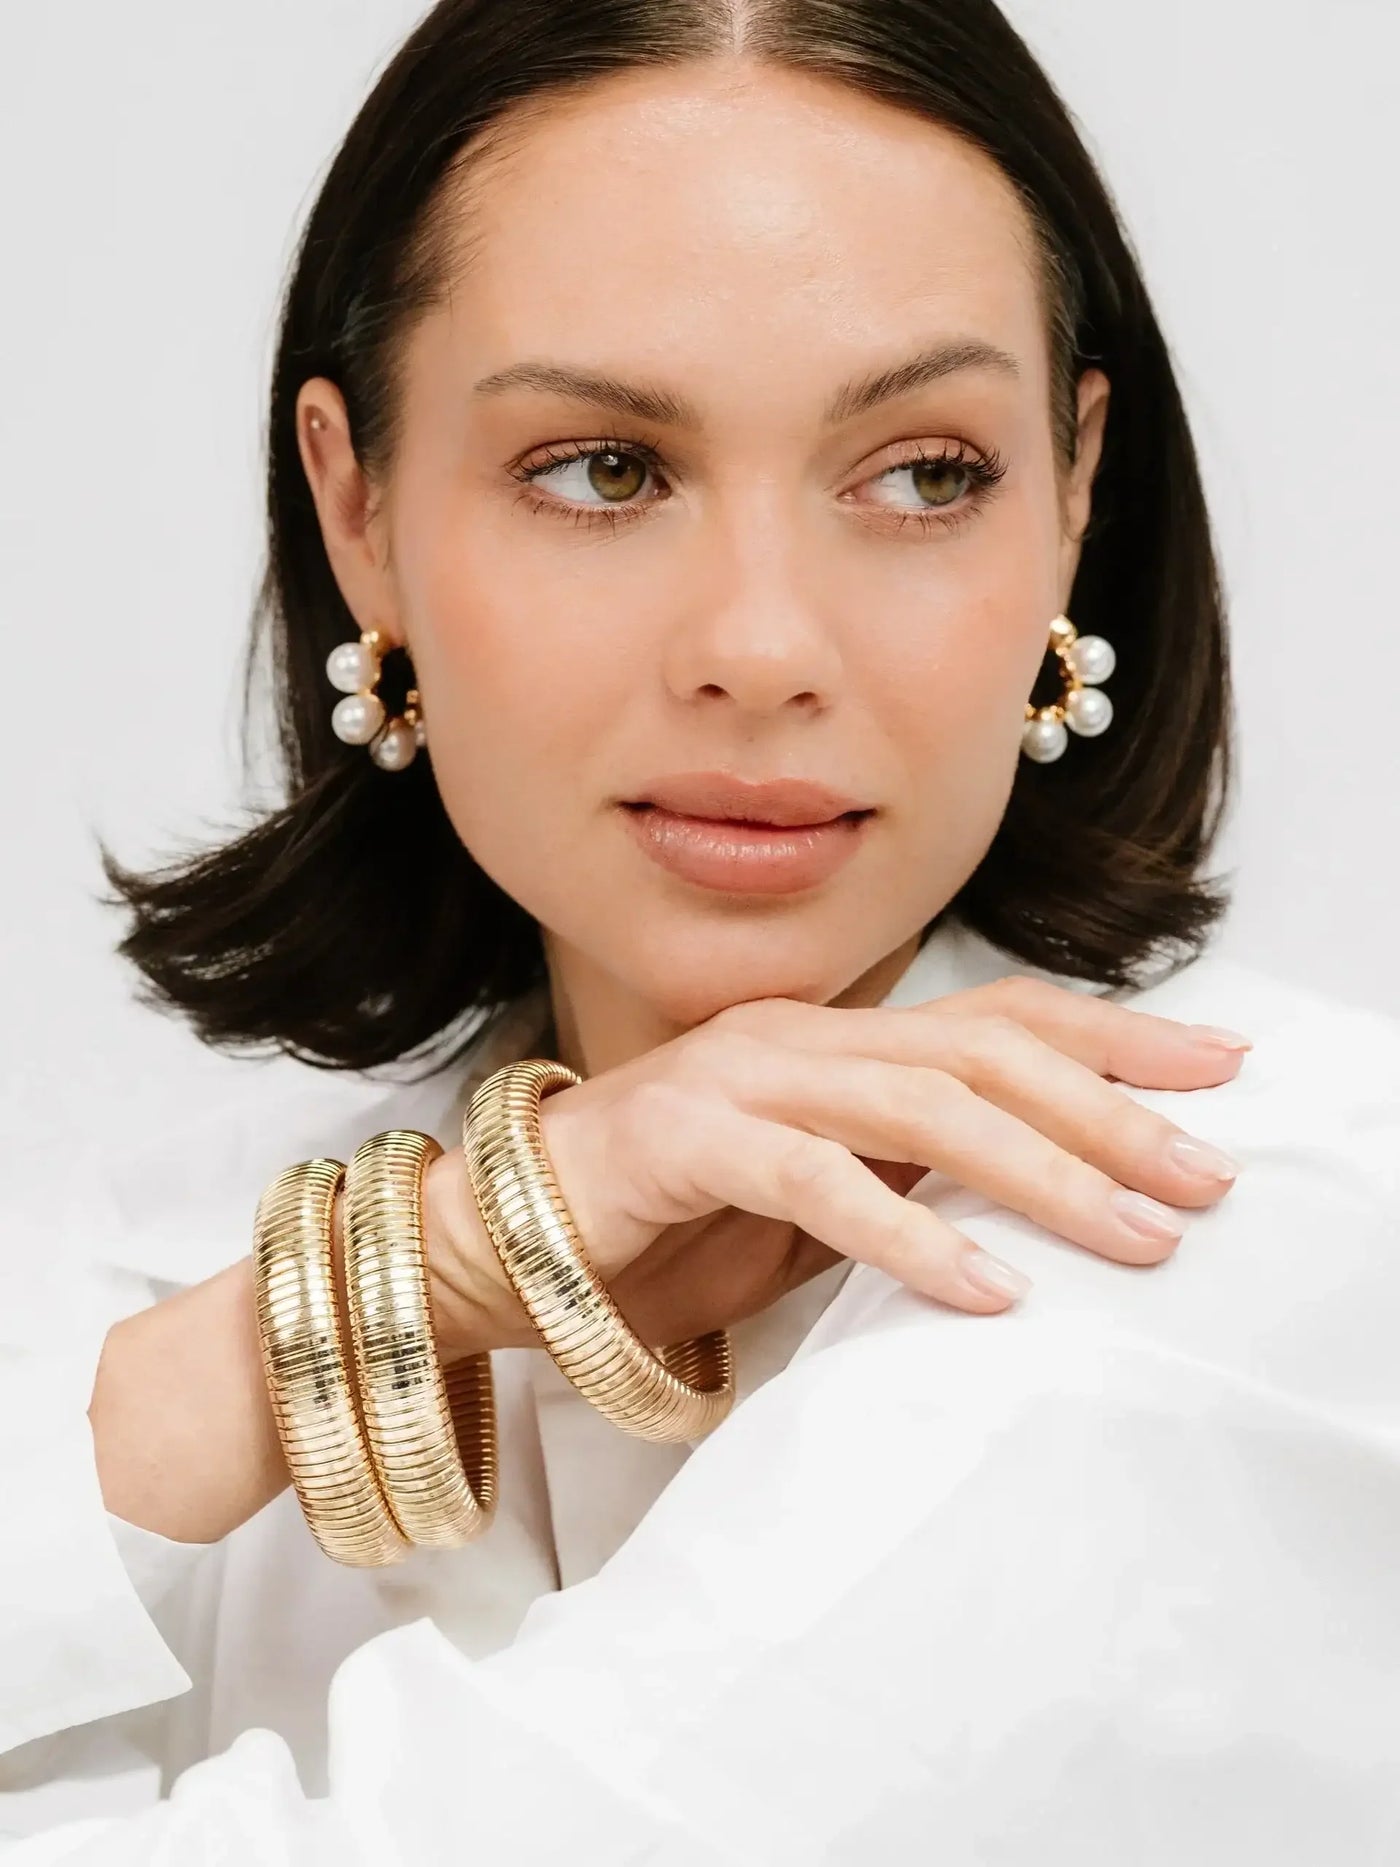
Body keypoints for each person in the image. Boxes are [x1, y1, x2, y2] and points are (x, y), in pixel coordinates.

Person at [2, 0, 1397, 1858]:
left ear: (1073, 495)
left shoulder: (1241, 1217)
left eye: (922, 472)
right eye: (604, 467)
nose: (761, 646)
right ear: (359, 510)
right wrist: (408, 1283)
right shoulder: (186, 1256)